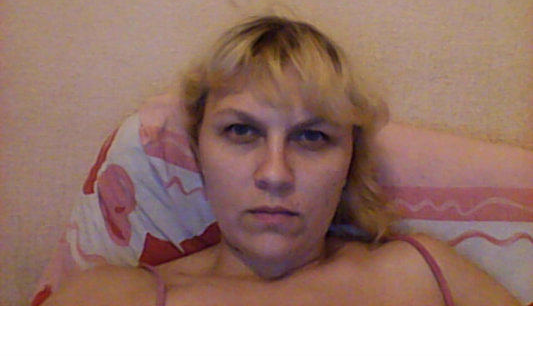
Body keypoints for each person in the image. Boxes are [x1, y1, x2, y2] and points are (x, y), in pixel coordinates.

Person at [44, 15, 519, 305]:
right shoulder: (110, 303)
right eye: (241, 131)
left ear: (350, 161)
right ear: (199, 149)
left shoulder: (426, 275)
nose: (274, 174)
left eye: (312, 136)